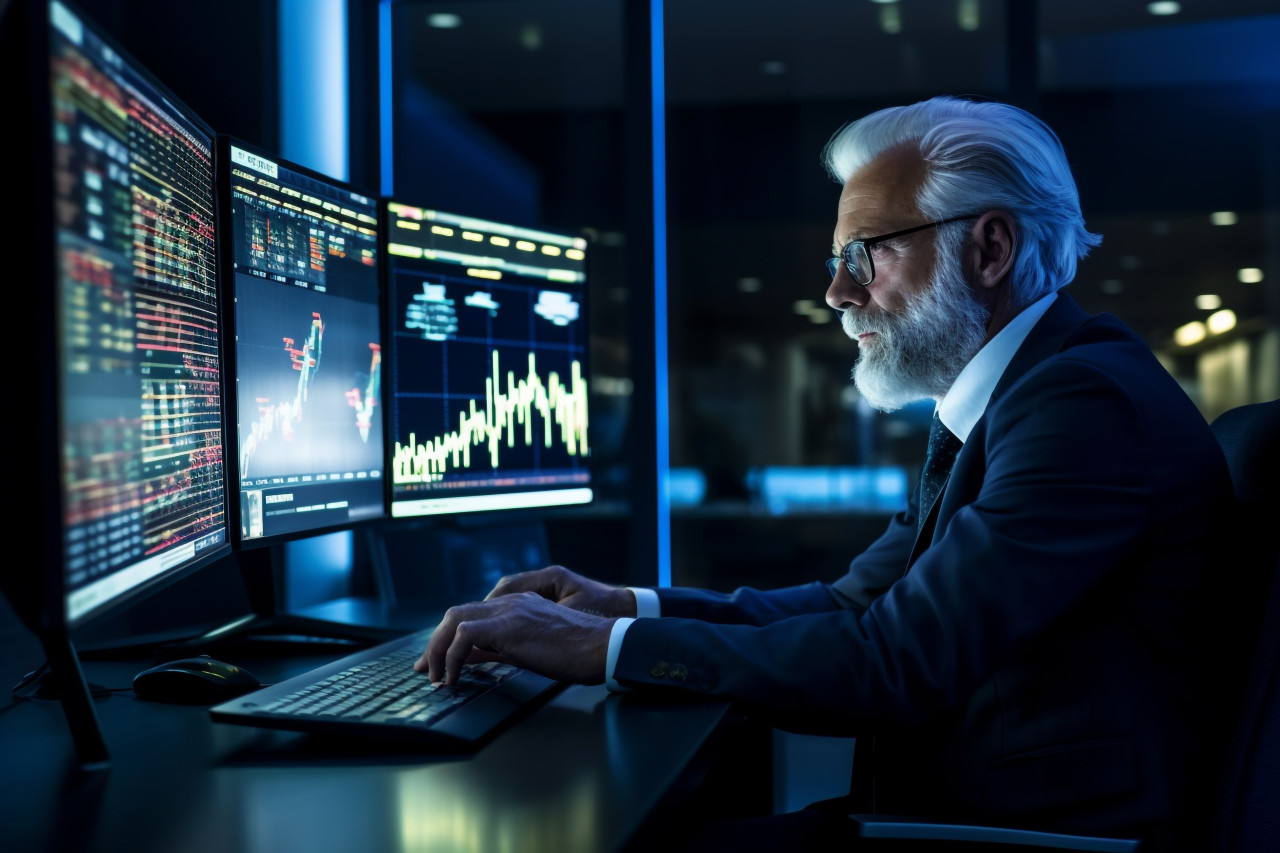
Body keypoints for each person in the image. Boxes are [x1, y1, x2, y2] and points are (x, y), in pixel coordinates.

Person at [416, 95, 1247, 852]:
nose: (837, 291)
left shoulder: (1080, 405)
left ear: (990, 246)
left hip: (1032, 832)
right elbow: (854, 606)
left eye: (865, 253)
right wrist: (630, 606)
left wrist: (603, 648)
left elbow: (893, 663)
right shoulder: (1022, 395)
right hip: (970, 803)